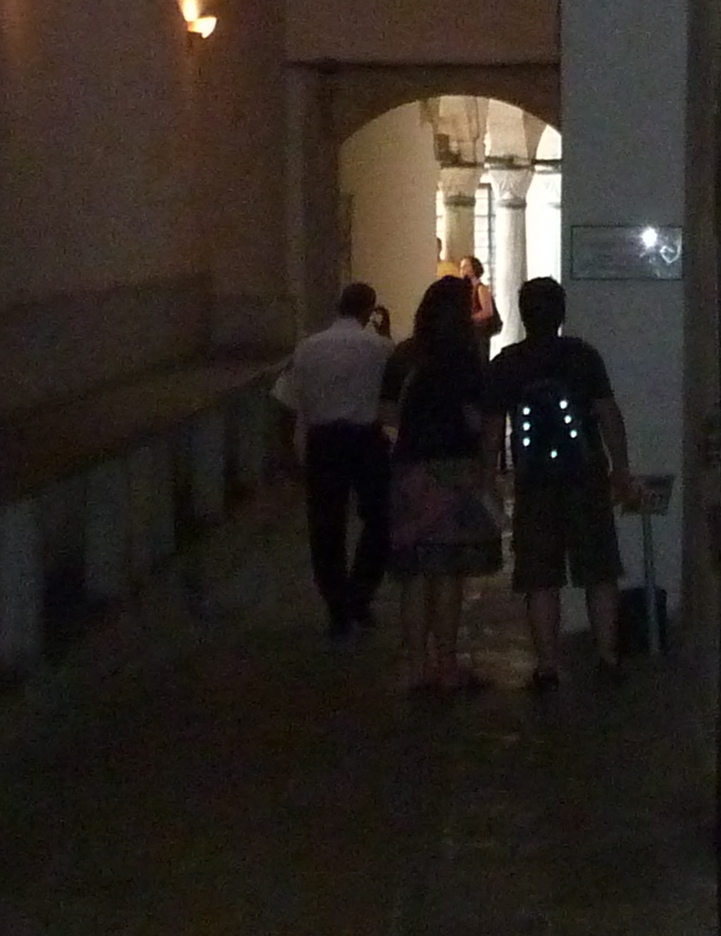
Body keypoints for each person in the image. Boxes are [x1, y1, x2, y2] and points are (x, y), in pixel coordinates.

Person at [481, 275, 642, 685]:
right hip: (584, 474)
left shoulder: (508, 362)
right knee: (599, 570)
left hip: (534, 480)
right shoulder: (583, 356)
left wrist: (489, 478)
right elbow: (607, 413)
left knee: (539, 576)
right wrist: (619, 468)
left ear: (522, 313)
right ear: (561, 313)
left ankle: (547, 664)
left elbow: (494, 426)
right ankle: (607, 655)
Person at [383, 274, 504, 693]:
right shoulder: (465, 360)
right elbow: (479, 420)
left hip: (409, 471)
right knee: (449, 573)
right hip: (453, 473)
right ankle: (447, 664)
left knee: (414, 573)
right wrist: (487, 471)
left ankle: (417, 665)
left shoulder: (405, 355)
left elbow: (385, 415)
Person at [272, 282, 392, 636]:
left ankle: (336, 603)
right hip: (366, 438)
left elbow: (285, 401)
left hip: (324, 441)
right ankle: (361, 592)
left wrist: (286, 452)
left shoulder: (309, 347)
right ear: (369, 310)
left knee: (326, 525)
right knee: (378, 519)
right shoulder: (379, 347)